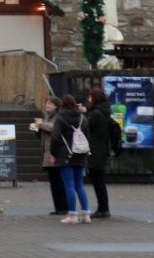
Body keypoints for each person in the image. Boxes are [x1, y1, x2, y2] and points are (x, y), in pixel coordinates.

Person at [49, 94, 91, 223]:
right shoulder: (82, 118)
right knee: (79, 185)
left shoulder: (60, 118)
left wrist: (54, 153)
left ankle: (72, 214)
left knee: (69, 185)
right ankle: (86, 214)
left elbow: (55, 138)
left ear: (62, 105)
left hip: (65, 154)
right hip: (80, 154)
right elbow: (88, 136)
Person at [34, 96, 68, 216]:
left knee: (59, 181)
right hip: (48, 153)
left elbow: (53, 128)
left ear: (56, 106)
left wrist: (41, 125)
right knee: (54, 182)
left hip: (56, 153)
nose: (47, 106)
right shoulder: (48, 117)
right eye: (47, 103)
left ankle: (64, 207)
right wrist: (36, 129)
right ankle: (58, 207)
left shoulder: (58, 116)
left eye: (50, 104)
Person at [84, 87, 113, 218]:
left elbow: (86, 127)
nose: (88, 99)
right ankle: (103, 207)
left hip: (96, 150)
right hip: (102, 149)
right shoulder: (104, 111)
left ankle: (103, 208)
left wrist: (85, 114)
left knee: (97, 180)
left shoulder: (96, 114)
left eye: (90, 97)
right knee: (99, 180)